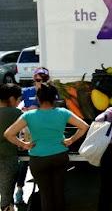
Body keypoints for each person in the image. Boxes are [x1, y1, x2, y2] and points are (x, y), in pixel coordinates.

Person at [3, 83, 89, 211]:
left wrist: (24, 144)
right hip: (60, 156)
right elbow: (84, 126)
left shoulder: (29, 115)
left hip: (38, 159)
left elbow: (8, 134)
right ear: (55, 98)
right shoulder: (63, 112)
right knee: (59, 193)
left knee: (46, 195)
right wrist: (71, 140)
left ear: (38, 98)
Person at [14, 67, 51, 204]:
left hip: (45, 131)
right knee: (24, 161)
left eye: (43, 80)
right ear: (34, 79)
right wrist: (24, 110)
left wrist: (37, 110)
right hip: (28, 130)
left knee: (43, 161)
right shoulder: (26, 91)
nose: (40, 82)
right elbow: (15, 105)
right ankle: (19, 189)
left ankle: (44, 193)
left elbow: (58, 107)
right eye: (37, 79)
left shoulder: (51, 91)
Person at [0, 84, 23, 211]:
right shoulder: (15, 113)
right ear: (12, 98)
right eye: (19, 99)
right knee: (6, 196)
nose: (19, 102)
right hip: (7, 158)